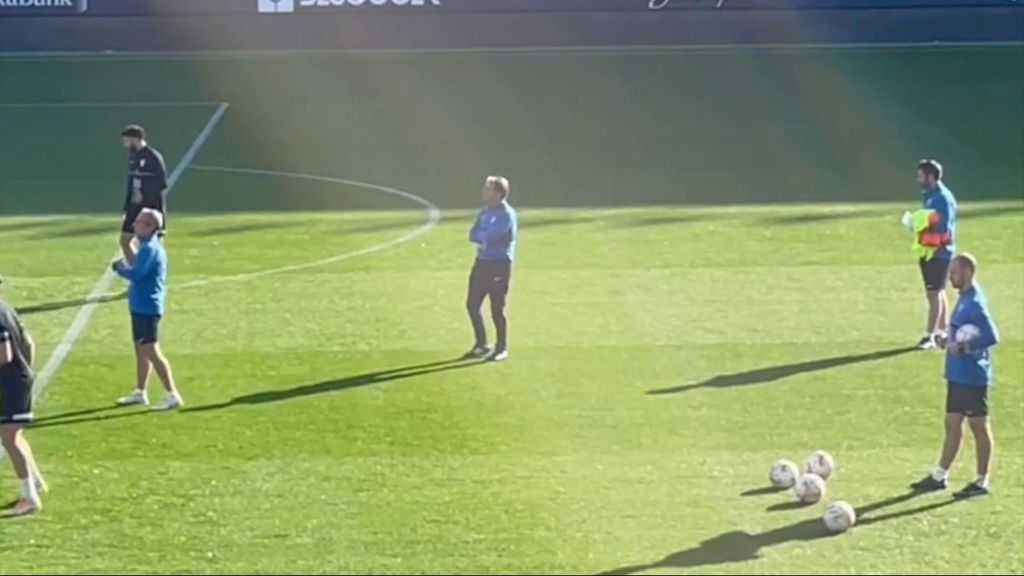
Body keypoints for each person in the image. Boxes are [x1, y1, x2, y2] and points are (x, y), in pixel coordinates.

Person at [911, 253, 999, 499]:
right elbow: (960, 332)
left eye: (954, 273)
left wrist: (962, 348)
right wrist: (945, 339)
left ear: (968, 273)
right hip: (957, 374)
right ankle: (940, 476)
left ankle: (982, 481)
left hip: (972, 377)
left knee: (979, 426)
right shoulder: (964, 298)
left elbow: (992, 336)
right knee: (952, 423)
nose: (950, 278)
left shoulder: (976, 303)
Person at [112, 209, 183, 411]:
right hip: (139, 305)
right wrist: (127, 248)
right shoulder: (146, 247)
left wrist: (119, 268)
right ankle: (140, 392)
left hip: (147, 306)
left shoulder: (150, 249)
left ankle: (172, 393)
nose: (135, 225)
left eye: (140, 222)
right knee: (140, 350)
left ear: (151, 227)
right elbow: (138, 266)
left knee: (150, 350)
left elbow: (137, 273)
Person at [0, 275, 46, 516]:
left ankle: (30, 497)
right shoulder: (7, 309)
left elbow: (4, 354)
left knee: (9, 436)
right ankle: (35, 482)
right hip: (18, 379)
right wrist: (27, 370)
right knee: (13, 434)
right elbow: (29, 343)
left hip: (10, 382)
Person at [465, 176, 517, 362]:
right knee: (472, 304)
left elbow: (489, 238)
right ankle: (481, 344)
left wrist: (482, 237)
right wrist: (481, 237)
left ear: (498, 193)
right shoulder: (486, 211)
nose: (483, 192)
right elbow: (473, 234)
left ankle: (501, 347)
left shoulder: (505, 215)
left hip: (499, 264)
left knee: (497, 308)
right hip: (482, 262)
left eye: (487, 189)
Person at [908, 159, 957, 350]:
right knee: (938, 291)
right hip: (930, 252)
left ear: (931, 177)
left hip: (938, 253)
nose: (918, 179)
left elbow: (943, 231)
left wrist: (924, 236)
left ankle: (930, 336)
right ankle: (942, 331)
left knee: (933, 293)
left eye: (921, 176)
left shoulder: (941, 198)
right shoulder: (931, 196)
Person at [120, 125, 168, 265]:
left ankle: (153, 271)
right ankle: (137, 269)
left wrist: (147, 205)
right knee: (125, 241)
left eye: (127, 141)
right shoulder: (133, 158)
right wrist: (127, 205)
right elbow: (131, 183)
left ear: (136, 139)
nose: (125, 145)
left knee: (151, 244)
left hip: (149, 209)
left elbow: (162, 183)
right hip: (134, 208)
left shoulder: (153, 157)